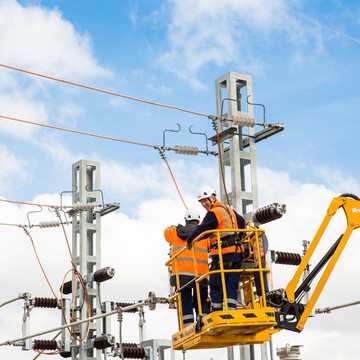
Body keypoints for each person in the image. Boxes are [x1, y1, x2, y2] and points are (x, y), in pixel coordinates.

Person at [186, 186, 246, 312]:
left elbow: (202, 229)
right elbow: (241, 222)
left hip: (223, 254)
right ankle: (231, 311)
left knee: (215, 284)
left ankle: (217, 313)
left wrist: (190, 240)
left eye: (205, 200)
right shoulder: (228, 210)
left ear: (213, 197)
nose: (204, 204)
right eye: (201, 202)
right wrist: (238, 238)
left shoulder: (214, 213)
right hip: (236, 253)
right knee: (231, 285)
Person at [164, 208, 209, 326]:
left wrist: (174, 227)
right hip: (201, 274)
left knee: (186, 299)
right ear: (198, 221)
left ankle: (188, 325)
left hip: (181, 274)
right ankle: (204, 321)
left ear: (185, 220)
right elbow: (211, 245)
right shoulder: (204, 234)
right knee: (201, 299)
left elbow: (166, 232)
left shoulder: (175, 232)